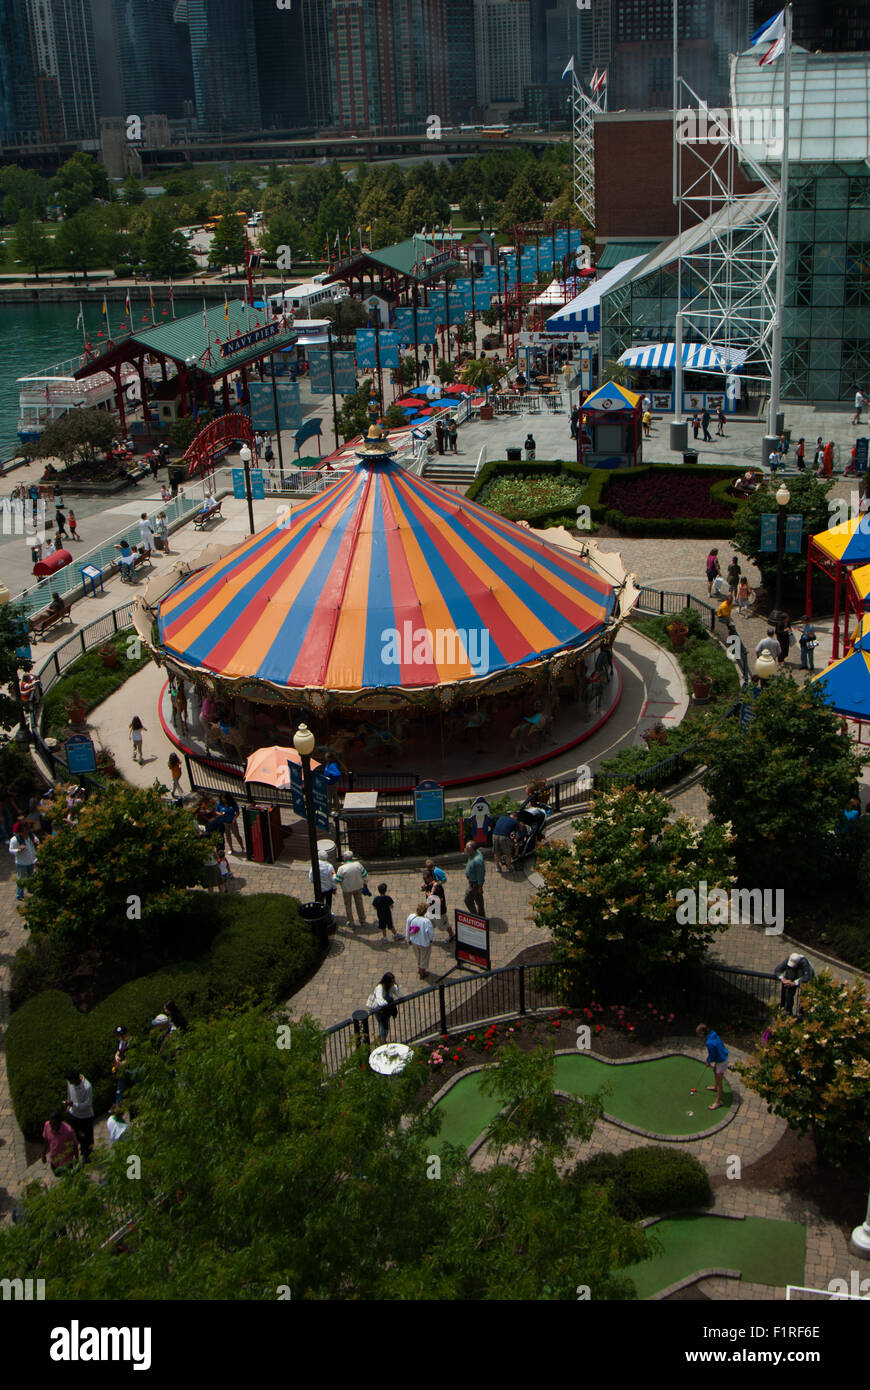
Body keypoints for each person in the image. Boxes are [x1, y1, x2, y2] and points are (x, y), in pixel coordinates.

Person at [695, 1023, 729, 1110]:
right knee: (714, 1070)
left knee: (719, 1082)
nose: (699, 1036)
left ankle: (717, 1102)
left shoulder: (709, 1043)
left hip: (722, 1061)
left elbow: (712, 1055)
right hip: (722, 1057)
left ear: (702, 1033)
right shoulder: (713, 1033)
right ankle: (715, 1087)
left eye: (699, 1034)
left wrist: (708, 1061)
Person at [65, 1069, 95, 1162]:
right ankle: (76, 1154)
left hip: (85, 1117)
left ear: (77, 1078)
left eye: (72, 1082)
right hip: (73, 1114)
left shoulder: (87, 1087)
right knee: (75, 1135)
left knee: (88, 1138)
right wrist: (68, 1105)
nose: (71, 1084)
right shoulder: (70, 1083)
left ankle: (87, 1154)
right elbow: (69, 1094)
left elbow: (87, 1104)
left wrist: (73, 1104)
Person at [335, 848, 368, 927]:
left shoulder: (342, 868)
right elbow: (365, 876)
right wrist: (365, 884)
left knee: (348, 905)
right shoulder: (358, 865)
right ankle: (362, 919)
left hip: (347, 889)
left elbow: (337, 880)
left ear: (345, 858)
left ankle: (351, 921)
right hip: (358, 887)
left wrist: (333, 875)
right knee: (359, 903)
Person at [774, 952, 814, 1016]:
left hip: (803, 979)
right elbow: (777, 970)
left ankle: (801, 1012)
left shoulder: (804, 962)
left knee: (804, 995)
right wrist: (783, 979)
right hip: (792, 977)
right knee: (789, 993)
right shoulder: (788, 959)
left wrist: (794, 983)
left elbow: (807, 977)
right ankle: (788, 1012)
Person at [367, 971, 402, 1041]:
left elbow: (401, 996)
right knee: (383, 1025)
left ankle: (381, 1039)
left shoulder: (392, 987)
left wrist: (398, 988)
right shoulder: (379, 987)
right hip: (378, 1009)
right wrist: (389, 1003)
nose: (394, 983)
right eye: (392, 981)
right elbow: (380, 1001)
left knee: (383, 1024)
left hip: (386, 1009)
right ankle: (382, 1040)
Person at [9, 819, 37, 901]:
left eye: (27, 829)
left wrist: (36, 842)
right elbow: (11, 850)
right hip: (21, 863)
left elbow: (36, 842)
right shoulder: (14, 839)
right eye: (25, 829)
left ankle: (31, 890)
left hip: (31, 861)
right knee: (21, 879)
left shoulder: (31, 836)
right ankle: (19, 894)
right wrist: (18, 850)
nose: (26, 831)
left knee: (31, 877)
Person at [405, 900, 435, 979]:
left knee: (418, 956)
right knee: (424, 958)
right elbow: (430, 933)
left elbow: (407, 929)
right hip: (424, 943)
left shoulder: (411, 917)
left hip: (414, 941)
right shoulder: (426, 921)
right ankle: (422, 973)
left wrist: (408, 939)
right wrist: (431, 940)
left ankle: (419, 968)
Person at [423, 866, 453, 939]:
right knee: (428, 922)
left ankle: (452, 935)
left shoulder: (437, 887)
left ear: (431, 877)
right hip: (431, 909)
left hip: (438, 911)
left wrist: (430, 896)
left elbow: (440, 900)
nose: (424, 880)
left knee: (443, 926)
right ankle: (428, 936)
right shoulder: (428, 885)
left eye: (426, 878)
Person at [310, 855, 336, 920]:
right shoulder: (329, 866)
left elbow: (311, 877)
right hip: (328, 888)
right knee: (328, 902)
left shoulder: (314, 865)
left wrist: (315, 883)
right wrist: (334, 887)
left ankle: (319, 914)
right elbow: (332, 879)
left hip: (319, 889)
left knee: (319, 902)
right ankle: (328, 914)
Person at [464, 842, 486, 917]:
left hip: (475, 884)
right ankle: (482, 916)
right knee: (479, 899)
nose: (465, 850)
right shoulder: (473, 853)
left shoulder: (477, 861)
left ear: (472, 850)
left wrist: (480, 886)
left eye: (467, 849)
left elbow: (481, 874)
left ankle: (476, 917)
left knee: (468, 900)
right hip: (474, 882)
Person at [113, 1025, 131, 1104]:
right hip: (123, 1070)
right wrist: (116, 1056)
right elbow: (119, 1051)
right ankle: (118, 1105)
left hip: (132, 1070)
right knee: (120, 1090)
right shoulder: (121, 1042)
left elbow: (132, 1058)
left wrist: (122, 1063)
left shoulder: (131, 1042)